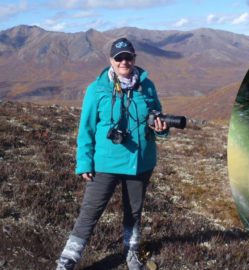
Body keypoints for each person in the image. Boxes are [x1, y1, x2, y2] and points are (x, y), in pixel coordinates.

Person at [56, 37, 168, 270]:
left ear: (134, 58)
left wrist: (161, 129)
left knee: (134, 212)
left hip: (140, 162)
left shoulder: (147, 86)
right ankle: (67, 260)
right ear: (111, 60)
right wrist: (84, 162)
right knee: (90, 212)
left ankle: (132, 253)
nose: (124, 62)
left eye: (128, 57)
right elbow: (86, 129)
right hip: (105, 162)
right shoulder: (97, 89)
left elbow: (157, 116)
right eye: (119, 58)